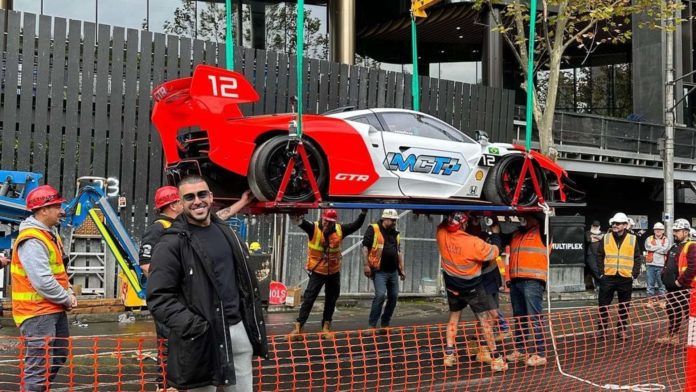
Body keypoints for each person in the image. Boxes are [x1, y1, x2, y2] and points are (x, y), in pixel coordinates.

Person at [146, 176, 267, 392]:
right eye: (189, 197)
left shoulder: (228, 233)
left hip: (238, 331)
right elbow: (159, 298)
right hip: (201, 339)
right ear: (180, 204)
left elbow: (244, 282)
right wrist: (196, 328)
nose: (197, 201)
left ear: (210, 197)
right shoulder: (171, 243)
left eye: (202, 194)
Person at [11, 185, 77, 392]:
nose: (61, 210)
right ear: (43, 210)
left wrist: (69, 293)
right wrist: (66, 298)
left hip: (51, 309)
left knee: (57, 356)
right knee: (38, 368)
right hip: (37, 313)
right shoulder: (33, 239)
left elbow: (58, 273)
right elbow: (42, 281)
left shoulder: (49, 235)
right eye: (57, 206)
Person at [436, 212, 507, 372]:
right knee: (484, 321)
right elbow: (494, 252)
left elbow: (441, 225)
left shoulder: (441, 234)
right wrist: (495, 234)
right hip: (473, 288)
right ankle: (496, 358)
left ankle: (449, 355)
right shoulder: (473, 242)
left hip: (453, 287)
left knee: (454, 318)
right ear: (464, 224)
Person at [289, 208, 367, 339]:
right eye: (325, 221)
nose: (326, 224)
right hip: (318, 272)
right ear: (322, 218)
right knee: (309, 298)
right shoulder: (313, 228)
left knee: (331, 299)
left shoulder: (340, 230)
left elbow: (356, 225)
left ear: (333, 222)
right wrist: (292, 213)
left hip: (333, 272)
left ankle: (326, 326)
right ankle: (299, 326)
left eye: (329, 222)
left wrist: (363, 213)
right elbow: (299, 222)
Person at [494, 213, 550, 367]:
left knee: (534, 318)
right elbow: (500, 240)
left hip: (533, 280)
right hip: (516, 281)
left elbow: (547, 219)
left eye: (527, 216)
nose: (523, 218)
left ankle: (540, 353)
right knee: (519, 318)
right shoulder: (517, 233)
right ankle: (521, 349)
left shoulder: (543, 232)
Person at [597, 212, 641, 340]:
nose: (615, 225)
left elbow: (637, 257)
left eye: (618, 223)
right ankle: (602, 330)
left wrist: (634, 274)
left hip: (625, 278)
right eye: (614, 223)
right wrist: (601, 273)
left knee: (624, 306)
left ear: (625, 225)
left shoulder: (633, 239)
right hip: (608, 277)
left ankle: (621, 330)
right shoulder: (606, 237)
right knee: (603, 304)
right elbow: (600, 256)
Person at [362, 209, 405, 331]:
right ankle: (372, 325)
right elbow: (365, 248)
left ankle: (385, 324)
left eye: (395, 220)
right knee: (380, 295)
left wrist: (402, 269)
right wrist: (366, 265)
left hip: (393, 271)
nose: (394, 222)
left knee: (394, 296)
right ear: (385, 219)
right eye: (392, 220)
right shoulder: (374, 229)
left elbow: (398, 251)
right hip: (379, 270)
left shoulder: (395, 233)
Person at [658, 218, 696, 345]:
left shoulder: (691, 246)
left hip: (685, 287)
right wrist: (664, 276)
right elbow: (667, 264)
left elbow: (692, 267)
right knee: (672, 311)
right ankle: (673, 336)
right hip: (672, 288)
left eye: (677, 231)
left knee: (689, 313)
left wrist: (679, 282)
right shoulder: (674, 247)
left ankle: (693, 341)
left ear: (686, 232)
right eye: (674, 231)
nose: (674, 233)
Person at [644, 222, 669, 299]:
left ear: (663, 231)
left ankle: (662, 301)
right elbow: (648, 247)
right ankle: (650, 301)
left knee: (661, 285)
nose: (658, 230)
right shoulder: (649, 238)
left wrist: (654, 248)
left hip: (662, 265)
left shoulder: (666, 240)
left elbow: (665, 250)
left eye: (660, 229)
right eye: (656, 229)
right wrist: (660, 247)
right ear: (654, 230)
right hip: (650, 264)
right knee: (650, 284)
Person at [584, 220, 603, 291]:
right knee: (594, 269)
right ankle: (602, 282)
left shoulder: (602, 233)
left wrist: (595, 237)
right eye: (594, 226)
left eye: (596, 226)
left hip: (600, 255)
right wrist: (599, 238)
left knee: (600, 270)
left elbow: (604, 239)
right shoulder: (588, 232)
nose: (595, 227)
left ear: (599, 227)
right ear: (592, 226)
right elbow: (589, 240)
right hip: (591, 255)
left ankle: (599, 286)